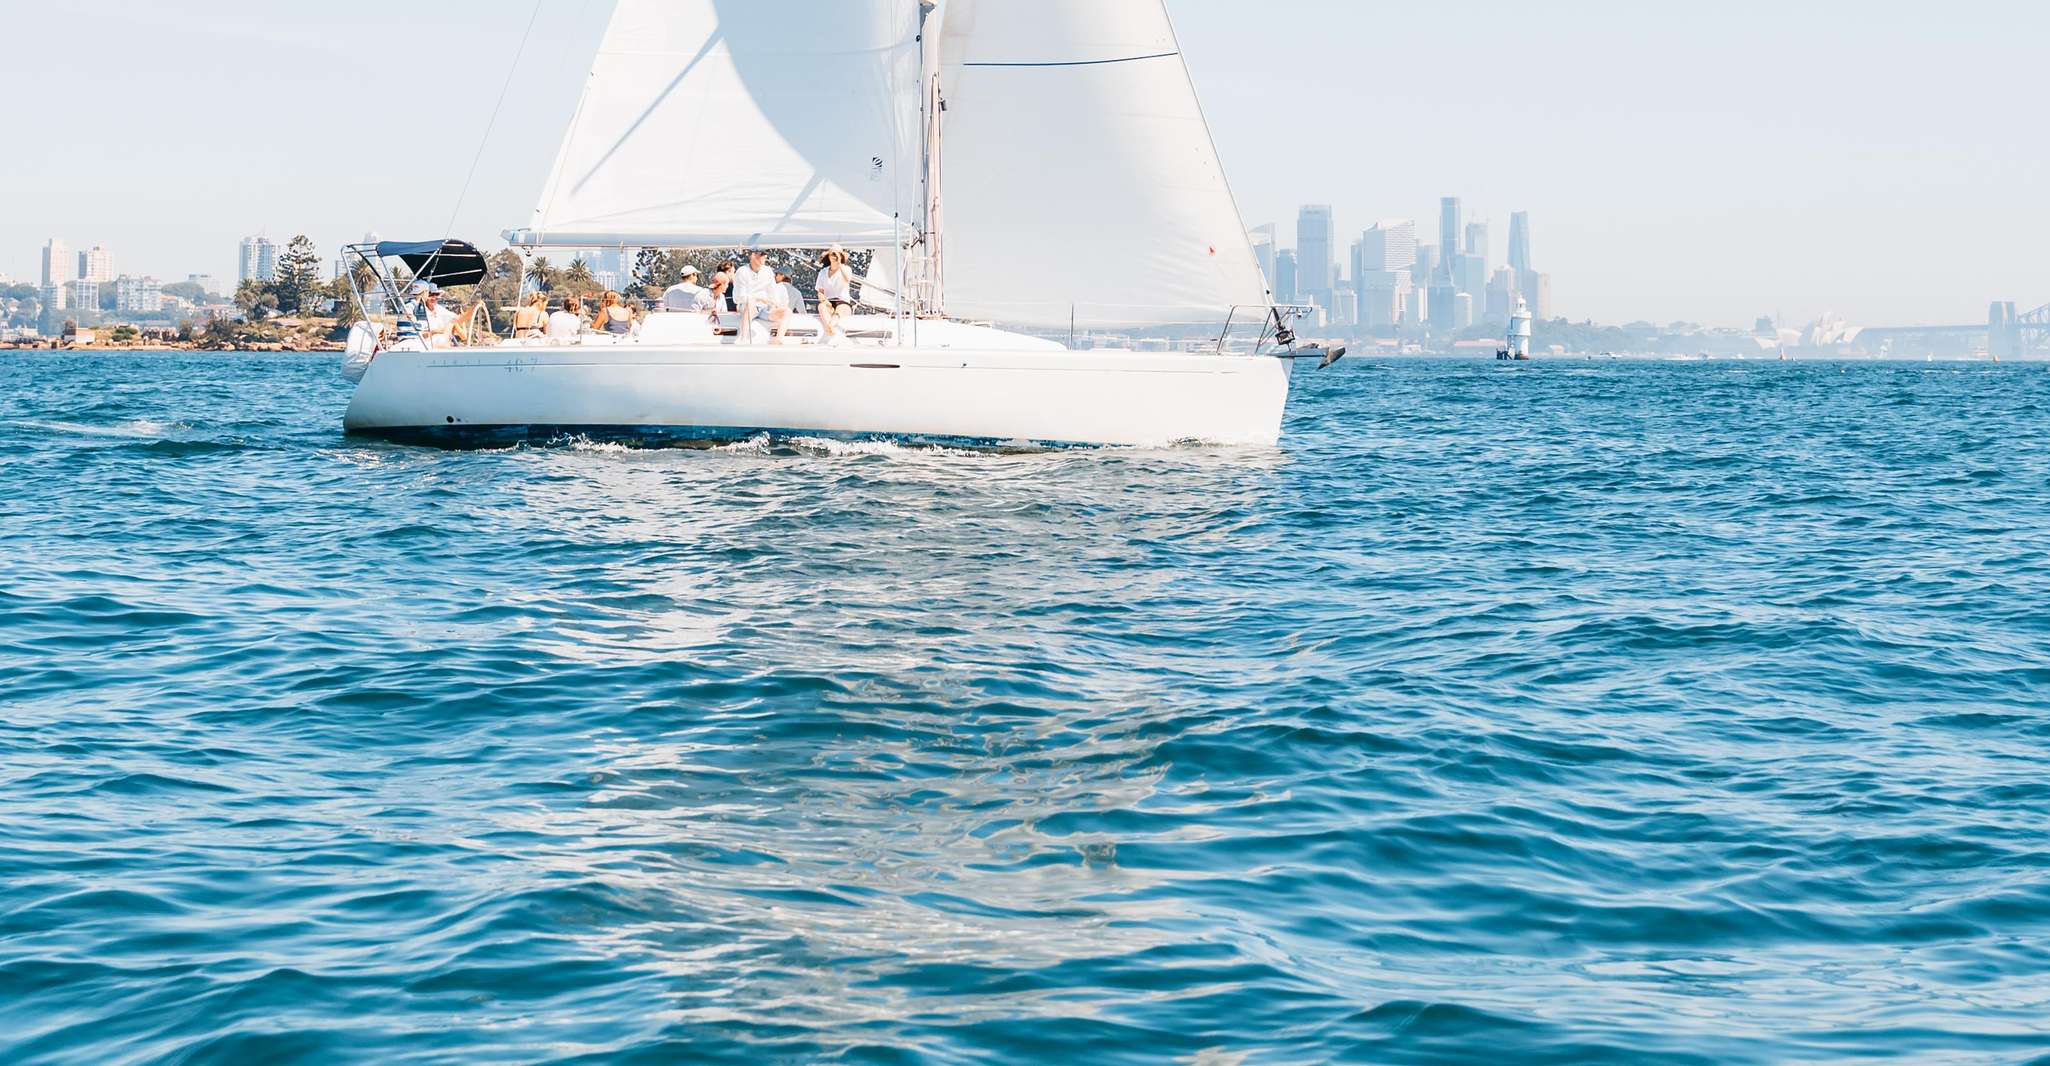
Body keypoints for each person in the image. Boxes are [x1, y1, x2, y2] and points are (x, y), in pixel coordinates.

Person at [733, 249, 780, 345]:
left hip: (764, 308)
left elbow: (773, 293)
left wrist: (775, 304)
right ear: (752, 255)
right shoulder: (741, 272)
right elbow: (738, 298)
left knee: (786, 312)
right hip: (747, 307)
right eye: (762, 254)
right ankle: (743, 338)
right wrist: (757, 299)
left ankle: (778, 339)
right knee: (750, 304)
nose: (765, 256)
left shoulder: (768, 271)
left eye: (765, 254)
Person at [816, 246, 854, 343]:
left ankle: (830, 326)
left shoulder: (846, 269)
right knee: (821, 306)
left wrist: (839, 263)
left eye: (837, 254)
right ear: (828, 256)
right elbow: (820, 292)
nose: (834, 256)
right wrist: (825, 301)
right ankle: (830, 328)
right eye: (832, 254)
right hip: (828, 301)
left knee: (839, 310)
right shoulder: (823, 272)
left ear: (841, 256)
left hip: (843, 302)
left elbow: (848, 279)